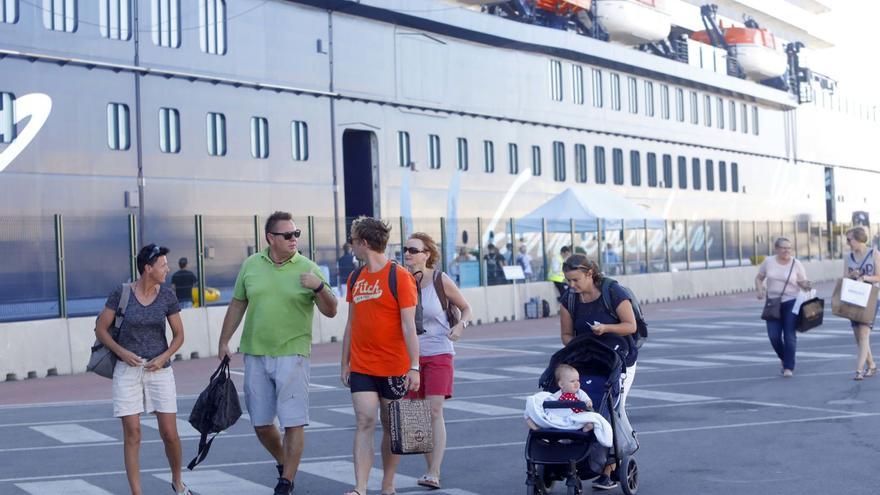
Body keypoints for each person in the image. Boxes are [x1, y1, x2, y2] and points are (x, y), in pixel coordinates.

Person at [217, 211, 338, 495]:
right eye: (287, 235)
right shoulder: (250, 265)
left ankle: (286, 481)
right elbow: (237, 305)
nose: (294, 239)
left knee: (293, 420)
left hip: (293, 353)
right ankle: (286, 463)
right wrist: (224, 341)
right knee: (260, 423)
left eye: (296, 234)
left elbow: (332, 310)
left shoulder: (308, 268)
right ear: (271, 238)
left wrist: (318, 287)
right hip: (255, 353)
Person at [94, 244, 192, 495]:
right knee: (132, 433)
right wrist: (122, 352)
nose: (167, 268)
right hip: (127, 372)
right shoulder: (121, 293)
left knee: (170, 433)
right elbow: (101, 329)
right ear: (148, 268)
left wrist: (164, 357)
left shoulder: (167, 296)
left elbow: (179, 335)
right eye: (162, 265)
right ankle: (137, 492)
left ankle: (177, 481)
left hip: (159, 370)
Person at [341, 217, 421, 495]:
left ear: (364, 243)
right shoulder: (355, 278)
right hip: (362, 365)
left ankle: (388, 483)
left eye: (353, 241)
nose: (350, 246)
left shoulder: (399, 277)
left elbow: (409, 326)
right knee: (364, 421)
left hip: (394, 366)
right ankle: (360, 487)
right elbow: (351, 323)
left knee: (392, 425)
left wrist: (414, 367)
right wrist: (345, 362)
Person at [559, 254, 637, 491]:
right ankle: (578, 455)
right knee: (581, 403)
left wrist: (605, 329)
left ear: (589, 274)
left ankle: (610, 465)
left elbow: (630, 326)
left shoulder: (612, 292)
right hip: (587, 358)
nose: (571, 286)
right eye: (568, 280)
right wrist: (578, 347)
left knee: (613, 406)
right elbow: (566, 335)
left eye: (575, 280)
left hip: (619, 358)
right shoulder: (569, 300)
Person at [402, 232, 473, 491]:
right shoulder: (402, 280)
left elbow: (466, 308)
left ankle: (434, 471)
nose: (408, 253)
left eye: (413, 249)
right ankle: (429, 468)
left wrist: (461, 326)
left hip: (440, 352)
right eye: (405, 249)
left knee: (434, 410)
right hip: (410, 357)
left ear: (427, 254)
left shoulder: (440, 280)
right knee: (415, 415)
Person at [755, 237, 811, 378]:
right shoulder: (769, 262)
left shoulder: (796, 263)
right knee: (773, 336)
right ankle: (785, 358)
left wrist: (806, 285)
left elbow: (802, 281)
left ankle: (788, 367)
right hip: (773, 302)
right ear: (776, 249)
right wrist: (760, 290)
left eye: (789, 248)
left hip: (791, 301)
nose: (787, 251)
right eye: (783, 248)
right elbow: (759, 278)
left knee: (789, 336)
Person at [842, 227, 878, 380]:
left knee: (864, 333)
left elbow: (879, 276)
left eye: (850, 239)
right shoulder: (848, 257)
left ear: (859, 239)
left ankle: (858, 370)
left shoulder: (874, 254)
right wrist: (852, 275)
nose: (848, 242)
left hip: (870, 297)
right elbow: (844, 277)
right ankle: (872, 365)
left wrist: (865, 278)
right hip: (853, 297)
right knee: (858, 336)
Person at [526, 364, 594, 432]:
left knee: (591, 418)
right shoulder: (558, 394)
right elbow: (550, 401)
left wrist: (588, 402)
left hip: (575, 416)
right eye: (572, 381)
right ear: (561, 384)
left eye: (578, 380)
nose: (577, 383)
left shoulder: (579, 393)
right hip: (560, 417)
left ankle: (586, 428)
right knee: (531, 416)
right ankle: (537, 428)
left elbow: (586, 399)